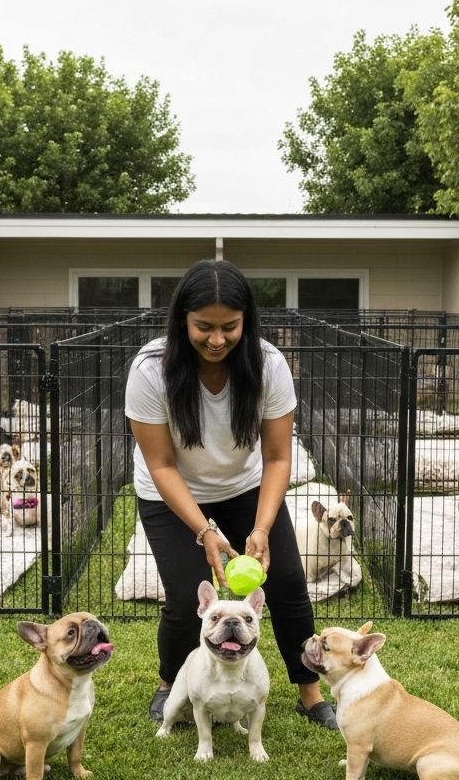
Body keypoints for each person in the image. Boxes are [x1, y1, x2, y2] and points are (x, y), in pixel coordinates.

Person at [124, 258, 337, 729]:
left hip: (245, 486)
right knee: (186, 596)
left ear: (247, 321)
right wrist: (204, 531)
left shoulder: (268, 364)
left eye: (229, 327)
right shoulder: (150, 369)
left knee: (287, 582)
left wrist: (261, 528)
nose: (217, 339)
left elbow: (278, 458)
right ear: (183, 320)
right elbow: (161, 464)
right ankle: (171, 684)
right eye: (204, 327)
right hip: (169, 491)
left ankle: (310, 692)